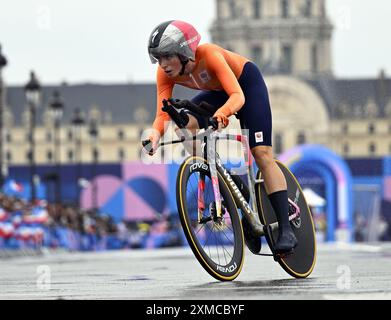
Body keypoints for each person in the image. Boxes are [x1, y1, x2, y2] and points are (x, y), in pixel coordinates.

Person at [142, 20, 297, 254]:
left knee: (261, 153)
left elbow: (237, 96)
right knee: (182, 126)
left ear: (184, 52)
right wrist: (154, 135)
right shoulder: (165, 74)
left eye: (166, 57)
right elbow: (162, 114)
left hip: (246, 87)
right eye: (158, 58)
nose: (162, 64)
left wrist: (222, 114)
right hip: (217, 94)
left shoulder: (210, 55)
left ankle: (286, 229)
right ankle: (230, 185)